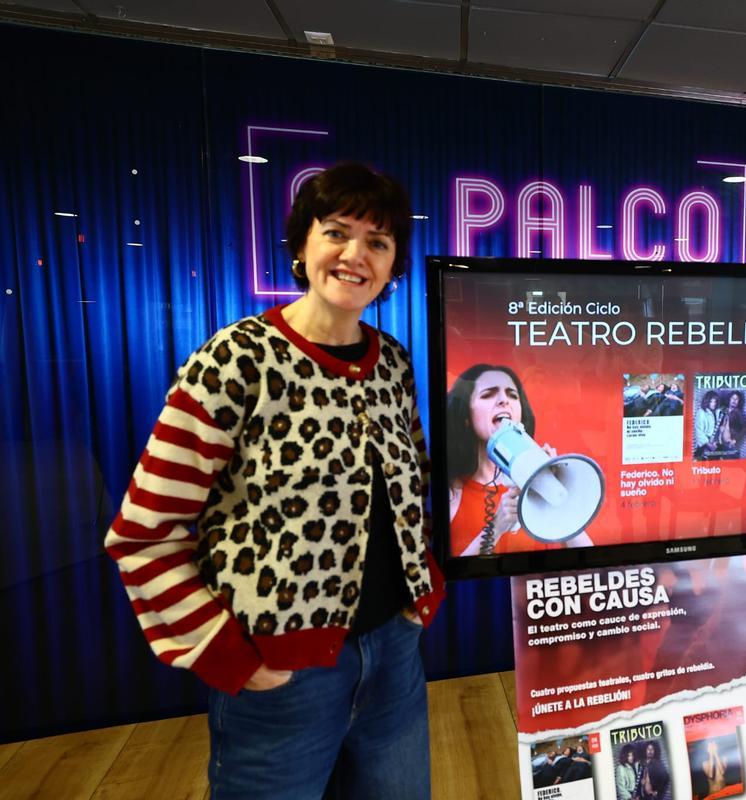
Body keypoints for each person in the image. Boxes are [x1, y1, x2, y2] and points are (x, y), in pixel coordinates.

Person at [104, 162, 444, 799]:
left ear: (394, 262)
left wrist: (418, 597)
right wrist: (229, 657)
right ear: (300, 246)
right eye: (337, 232)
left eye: (378, 242)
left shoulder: (390, 361)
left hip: (394, 661)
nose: (355, 255)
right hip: (281, 673)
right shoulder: (237, 359)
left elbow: (407, 494)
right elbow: (143, 536)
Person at [446, 363, 593, 555]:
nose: (503, 401)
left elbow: (589, 559)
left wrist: (552, 487)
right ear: (465, 415)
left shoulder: (539, 484)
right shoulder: (452, 493)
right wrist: (497, 527)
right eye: (488, 394)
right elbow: (449, 579)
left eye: (512, 395)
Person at [717, 391, 746, 457]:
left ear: (738, 401)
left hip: (730, 446)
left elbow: (745, 428)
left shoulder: (739, 413)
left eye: (736, 399)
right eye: (732, 398)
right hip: (721, 444)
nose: (734, 401)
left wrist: (735, 439)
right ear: (729, 399)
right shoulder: (724, 410)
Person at [694, 390, 720, 458]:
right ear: (707, 401)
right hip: (704, 445)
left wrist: (715, 442)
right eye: (711, 401)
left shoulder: (717, 412)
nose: (713, 404)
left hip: (714, 444)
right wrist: (708, 444)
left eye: (715, 401)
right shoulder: (701, 412)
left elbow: (717, 429)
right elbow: (698, 430)